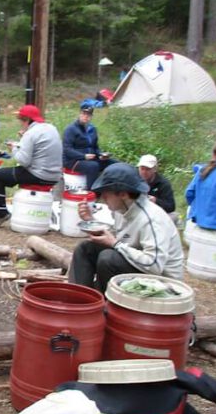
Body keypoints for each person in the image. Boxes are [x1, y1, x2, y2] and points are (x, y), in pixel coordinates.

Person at [69, 162, 185, 292]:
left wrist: (116, 244)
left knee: (108, 258)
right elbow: (121, 238)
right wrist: (90, 220)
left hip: (163, 283)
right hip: (138, 266)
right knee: (86, 248)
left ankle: (105, 304)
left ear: (123, 194)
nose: (103, 197)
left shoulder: (151, 218)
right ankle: (80, 297)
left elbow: (154, 265)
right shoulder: (123, 209)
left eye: (106, 193)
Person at [0, 104, 62, 228]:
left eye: (21, 120)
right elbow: (39, 149)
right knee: (12, 173)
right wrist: (22, 140)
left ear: (27, 120)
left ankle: (1, 213)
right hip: (55, 175)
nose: (20, 123)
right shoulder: (51, 128)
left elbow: (23, 161)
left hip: (38, 175)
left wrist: (13, 149)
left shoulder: (31, 133)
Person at [62, 100, 114, 189]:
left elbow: (95, 147)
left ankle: (109, 189)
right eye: (83, 114)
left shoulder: (92, 129)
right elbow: (67, 150)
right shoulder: (71, 129)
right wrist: (83, 156)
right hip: (73, 160)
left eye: (88, 115)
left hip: (91, 158)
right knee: (93, 166)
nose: (85, 117)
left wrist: (100, 154)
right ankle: (91, 191)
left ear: (91, 116)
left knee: (113, 163)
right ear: (79, 114)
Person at [137, 154, 177, 219]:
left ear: (155, 169)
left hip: (157, 214)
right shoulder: (135, 180)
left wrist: (155, 201)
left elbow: (171, 207)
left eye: (147, 169)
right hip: (139, 212)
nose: (144, 172)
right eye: (142, 169)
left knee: (173, 216)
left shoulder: (163, 184)